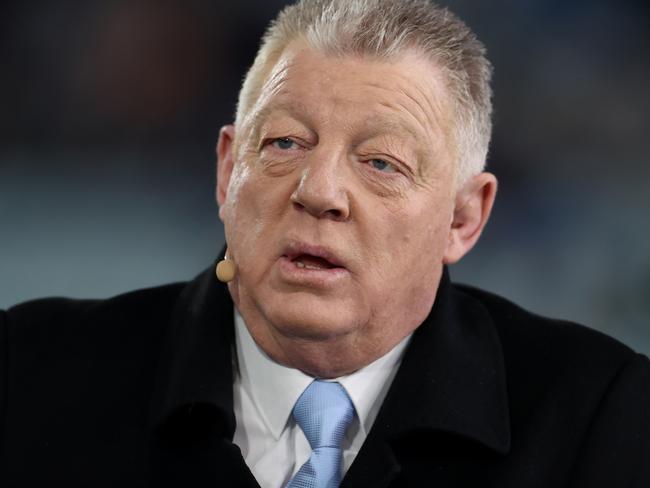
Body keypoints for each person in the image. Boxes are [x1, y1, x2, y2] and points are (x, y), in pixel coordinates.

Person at [1, 0, 649, 486]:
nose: (320, 192)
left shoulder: (599, 417)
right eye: (284, 143)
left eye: (381, 163)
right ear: (229, 172)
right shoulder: (27, 373)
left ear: (462, 219)